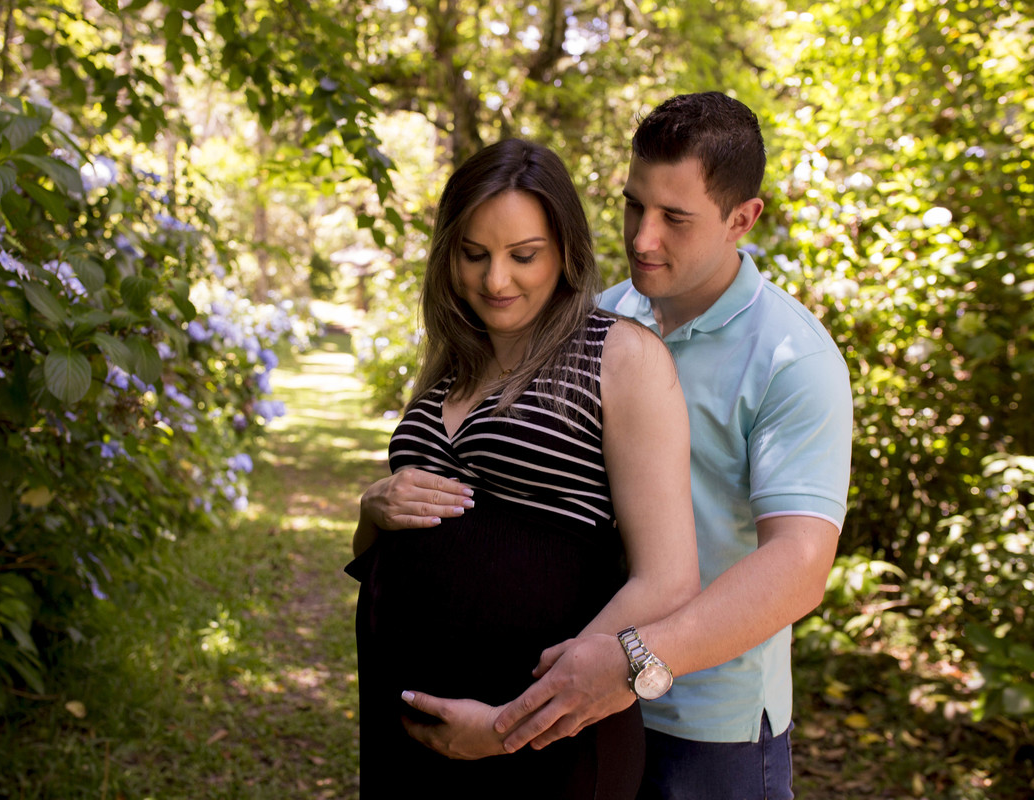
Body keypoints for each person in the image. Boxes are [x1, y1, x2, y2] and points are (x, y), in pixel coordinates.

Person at [372, 93, 853, 799]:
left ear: (742, 220)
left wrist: (626, 665)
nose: (642, 238)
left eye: (674, 218)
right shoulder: (598, 323)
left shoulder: (792, 358)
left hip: (702, 727)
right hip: (569, 703)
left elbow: (800, 566)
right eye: (633, 207)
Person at [347, 138, 699, 798]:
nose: (495, 280)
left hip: (544, 744)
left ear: (566, 251)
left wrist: (513, 723)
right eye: (473, 254)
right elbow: (377, 551)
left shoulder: (621, 357)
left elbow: (668, 579)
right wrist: (373, 509)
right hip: (408, 733)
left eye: (523, 256)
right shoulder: (451, 363)